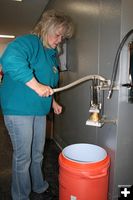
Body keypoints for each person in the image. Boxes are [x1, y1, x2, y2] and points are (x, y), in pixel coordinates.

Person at [0, 9, 74, 200]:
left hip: (38, 110)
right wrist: (36, 85)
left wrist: (53, 102)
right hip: (19, 110)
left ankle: (39, 185)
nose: (60, 40)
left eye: (63, 37)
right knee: (23, 156)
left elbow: (45, 85)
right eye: (58, 34)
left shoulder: (50, 55)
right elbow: (9, 59)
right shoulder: (30, 42)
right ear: (46, 28)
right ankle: (20, 196)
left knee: (38, 153)